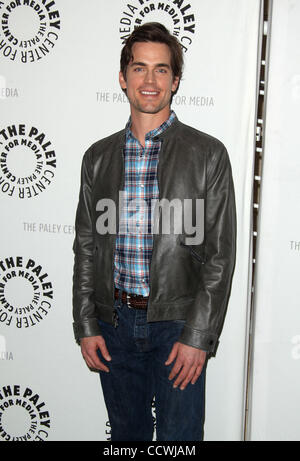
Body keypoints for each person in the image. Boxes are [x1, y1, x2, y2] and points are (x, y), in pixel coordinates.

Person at [72, 22, 236, 442]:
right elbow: (87, 248)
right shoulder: (98, 157)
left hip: (177, 325)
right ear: (123, 78)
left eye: (161, 70)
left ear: (175, 80)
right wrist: (87, 323)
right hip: (114, 326)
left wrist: (198, 336)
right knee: (127, 437)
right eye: (140, 68)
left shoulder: (208, 155)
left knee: (180, 438)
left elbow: (220, 256)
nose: (150, 80)